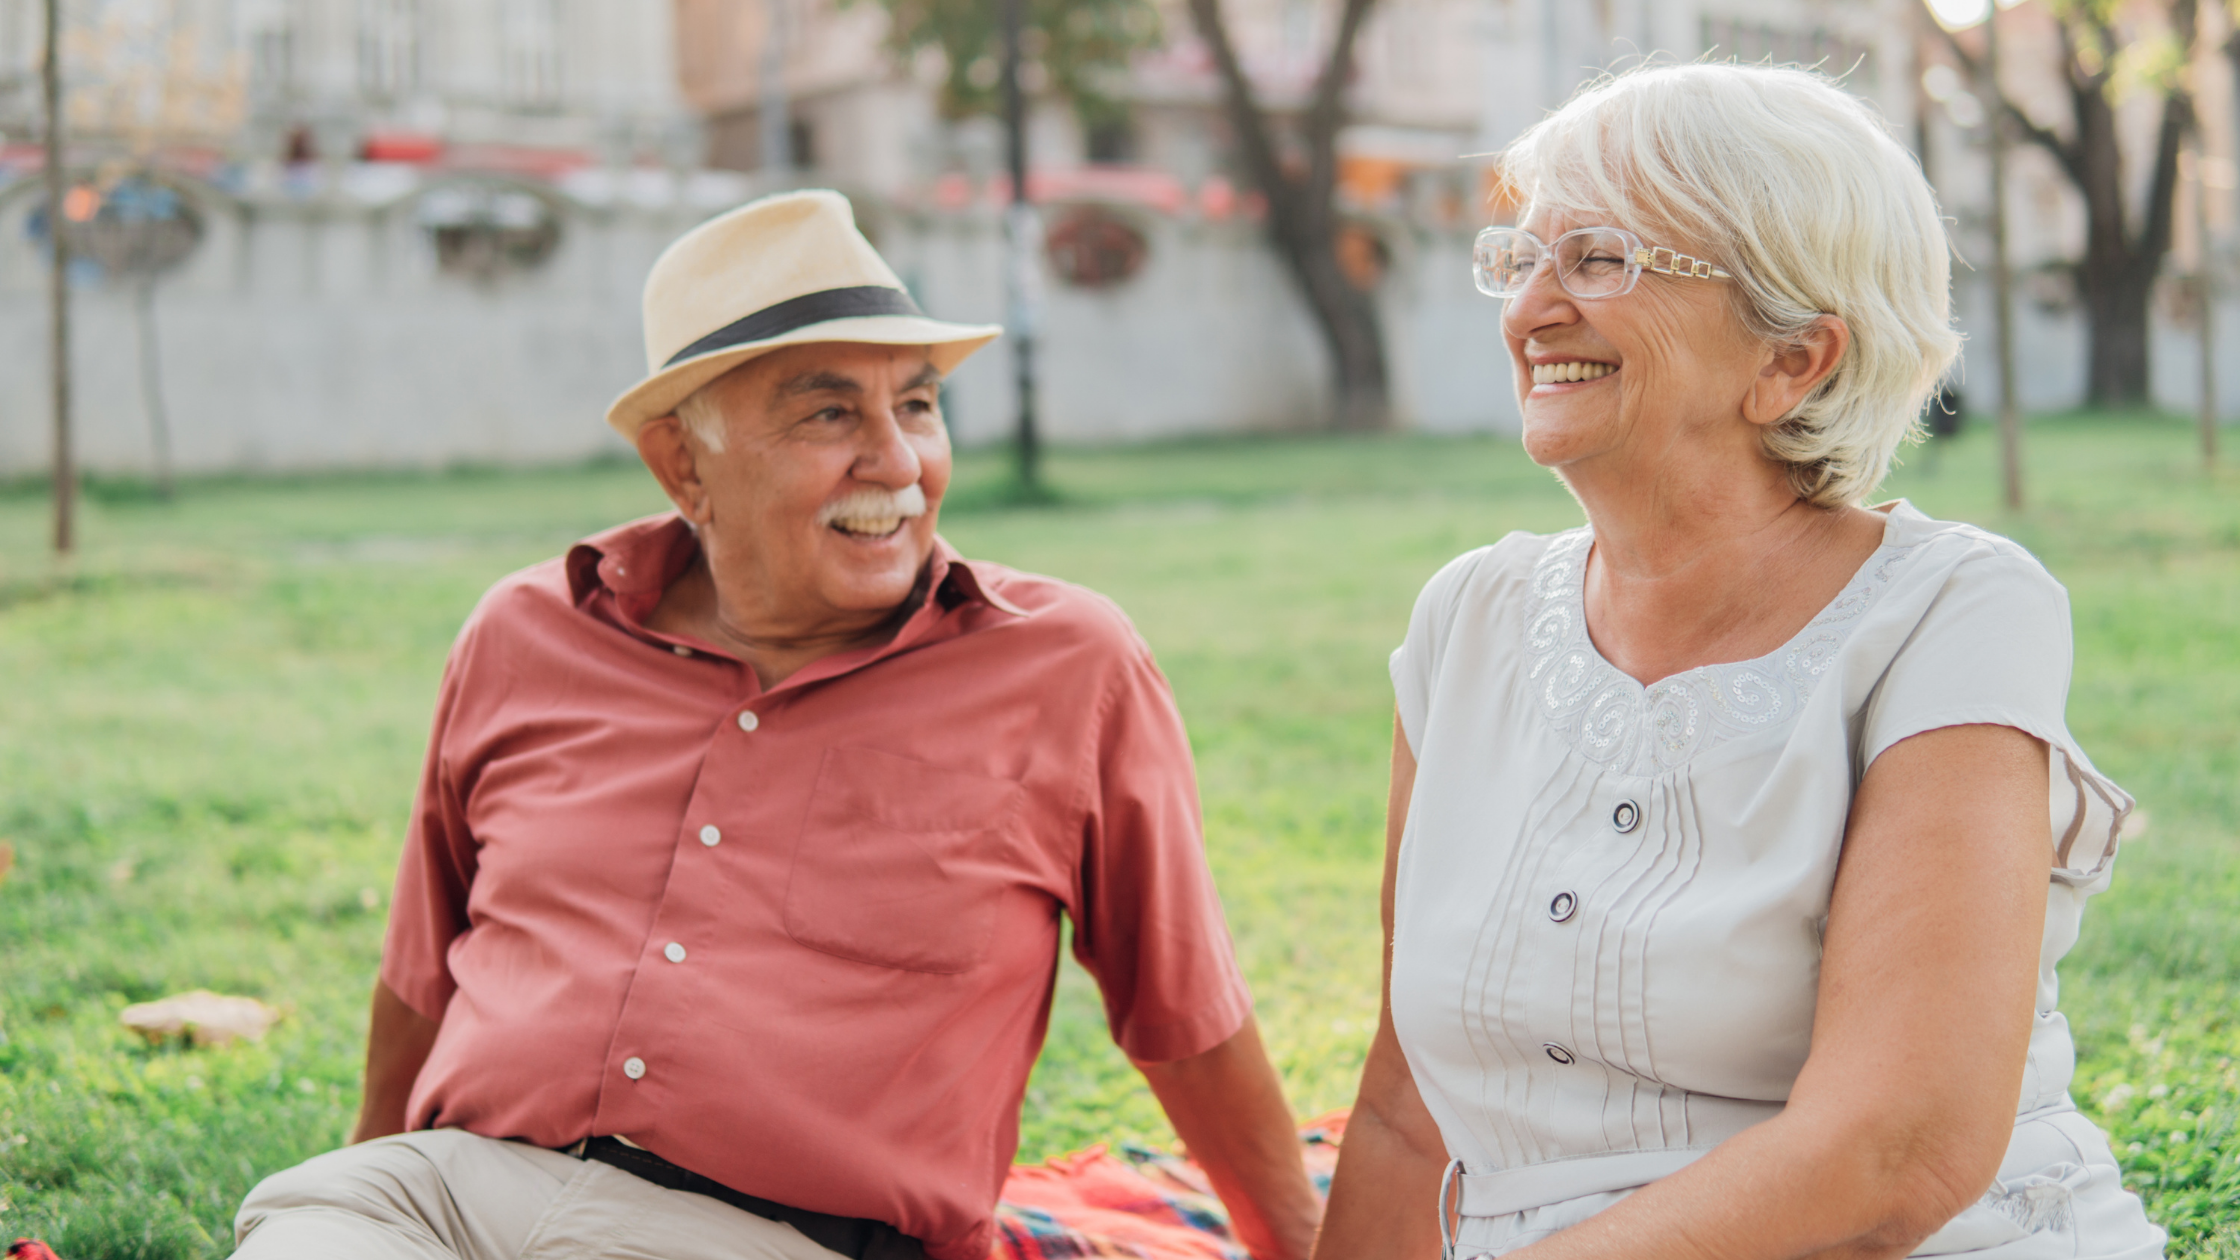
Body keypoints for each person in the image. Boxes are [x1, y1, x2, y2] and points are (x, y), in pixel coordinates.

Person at [231, 190, 1322, 1260]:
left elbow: (1182, 1010)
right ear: (683, 465)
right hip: (442, 1196)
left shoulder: (1065, 665)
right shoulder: (525, 631)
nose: (897, 463)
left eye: (917, 406)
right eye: (829, 414)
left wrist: (1314, 1246)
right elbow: (424, 971)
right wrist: (370, 1183)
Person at [1312, 64, 2164, 1260]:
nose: (1529, 310)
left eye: (1599, 260)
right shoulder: (1469, 618)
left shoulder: (1948, 607)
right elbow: (1406, 1116)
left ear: (1791, 360)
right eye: (1522, 258)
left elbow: (1889, 1156)